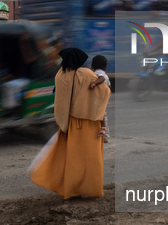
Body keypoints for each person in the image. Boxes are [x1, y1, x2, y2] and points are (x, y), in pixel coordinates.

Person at [29, 48, 111, 199]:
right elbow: (103, 90)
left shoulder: (60, 75)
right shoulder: (86, 73)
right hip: (89, 122)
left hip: (69, 123)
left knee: (72, 159)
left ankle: (72, 190)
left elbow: (60, 100)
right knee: (91, 158)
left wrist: (64, 124)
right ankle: (92, 189)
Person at [89, 55, 111, 143]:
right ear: (105, 67)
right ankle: (105, 135)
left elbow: (101, 79)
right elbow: (109, 87)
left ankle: (103, 133)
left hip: (96, 100)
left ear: (91, 66)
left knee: (99, 116)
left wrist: (94, 83)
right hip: (101, 100)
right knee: (102, 116)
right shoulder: (104, 75)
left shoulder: (96, 74)